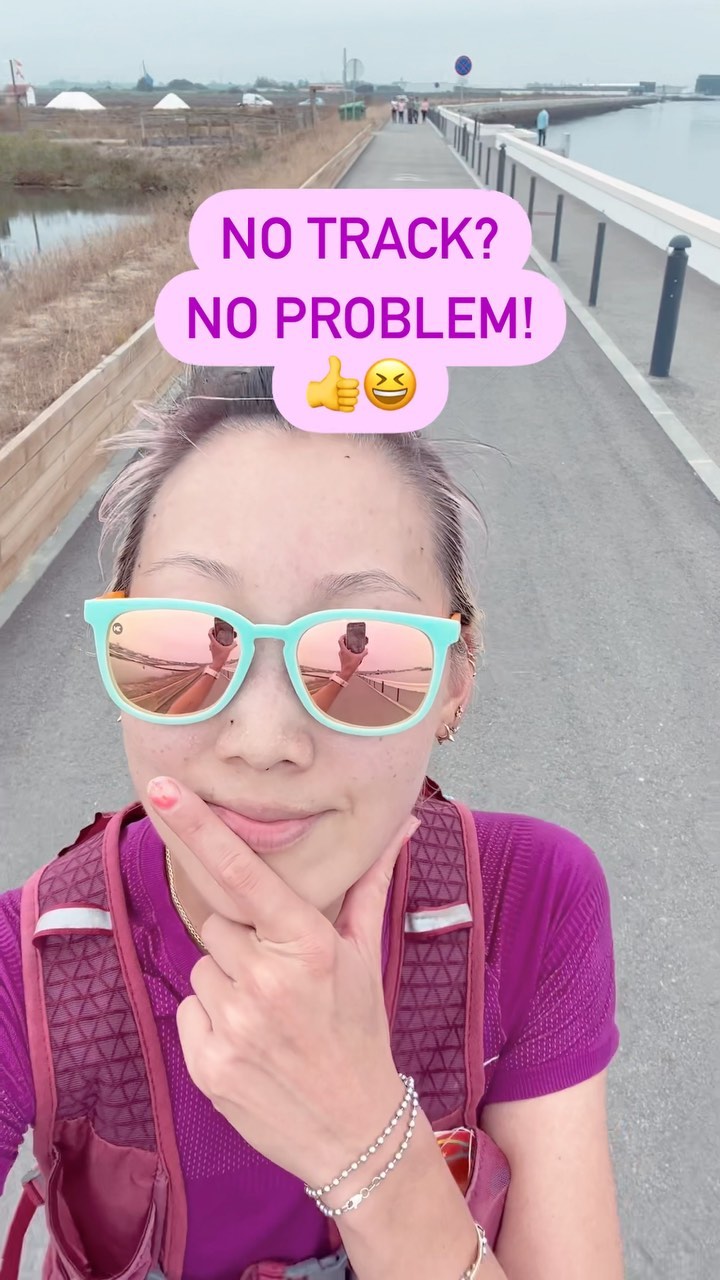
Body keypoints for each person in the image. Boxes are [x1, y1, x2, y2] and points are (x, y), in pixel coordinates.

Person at [0, 366, 624, 1279]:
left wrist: (365, 1140)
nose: (265, 741)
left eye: (360, 655)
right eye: (187, 641)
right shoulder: (24, 969)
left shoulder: (527, 904)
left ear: (454, 685)